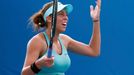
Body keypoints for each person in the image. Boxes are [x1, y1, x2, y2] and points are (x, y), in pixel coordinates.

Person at [21, 0, 101, 75]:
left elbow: (93, 51)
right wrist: (38, 64)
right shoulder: (37, 41)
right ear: (49, 18)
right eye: (61, 14)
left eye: (66, 15)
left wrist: (96, 20)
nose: (66, 17)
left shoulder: (65, 40)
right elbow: (24, 73)